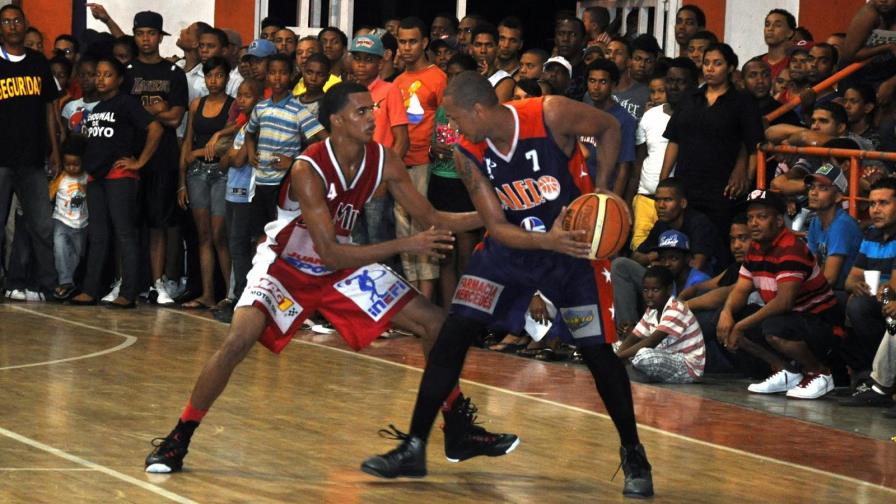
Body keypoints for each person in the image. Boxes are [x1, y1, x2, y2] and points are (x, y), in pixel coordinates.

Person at [144, 81, 516, 473]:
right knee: (238, 340)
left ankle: (457, 426)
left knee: (435, 325)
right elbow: (329, 252)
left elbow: (433, 218)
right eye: (361, 111)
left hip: (340, 266)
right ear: (336, 121)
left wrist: (499, 215)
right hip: (287, 265)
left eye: (372, 110)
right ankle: (179, 436)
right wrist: (406, 244)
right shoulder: (308, 168)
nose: (372, 118)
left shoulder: (384, 160)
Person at [361, 71, 654, 499]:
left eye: (456, 119)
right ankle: (415, 445)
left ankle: (633, 453)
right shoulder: (467, 153)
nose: (453, 130)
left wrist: (604, 190)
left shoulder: (550, 113)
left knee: (597, 353)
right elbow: (497, 227)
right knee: (452, 334)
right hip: (512, 250)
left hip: (573, 252)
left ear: (479, 110)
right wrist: (546, 239)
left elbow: (609, 127)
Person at [718, 191, 843, 400]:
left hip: (822, 323)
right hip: (792, 319)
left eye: (762, 217)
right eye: (750, 218)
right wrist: (727, 313)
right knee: (738, 319)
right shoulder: (755, 248)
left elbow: (784, 302)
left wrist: (739, 326)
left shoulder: (791, 248)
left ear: (778, 221)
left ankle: (820, 372)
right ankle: (788, 372)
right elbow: (740, 289)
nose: (754, 223)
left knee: (771, 328)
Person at [70, 57, 163, 308]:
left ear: (120, 79)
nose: (100, 79)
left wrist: (139, 161)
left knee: (125, 234)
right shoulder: (98, 107)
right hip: (96, 176)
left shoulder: (127, 103)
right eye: (98, 74)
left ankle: (128, 293)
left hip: (119, 177)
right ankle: (90, 290)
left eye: (107, 74)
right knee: (98, 235)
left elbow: (155, 129)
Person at [661, 43, 764, 245]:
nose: (710, 68)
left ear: (730, 67)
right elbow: (674, 140)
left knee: (717, 243)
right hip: (686, 184)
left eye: (717, 63)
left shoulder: (742, 102)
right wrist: (664, 180)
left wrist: (747, 179)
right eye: (707, 63)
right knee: (684, 243)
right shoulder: (690, 98)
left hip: (722, 189)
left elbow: (754, 145)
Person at [123, 11, 189, 305]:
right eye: (140, 34)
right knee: (126, 224)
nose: (146, 39)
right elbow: (124, 115)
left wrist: (143, 112)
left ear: (160, 36)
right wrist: (156, 109)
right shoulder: (126, 72)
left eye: (151, 33)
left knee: (158, 224)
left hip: (163, 157)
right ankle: (125, 282)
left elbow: (175, 119)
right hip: (130, 154)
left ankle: (157, 283)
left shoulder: (174, 73)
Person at [0, 4, 61, 301]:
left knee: (42, 225)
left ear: (25, 24)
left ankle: (48, 284)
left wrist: (55, 149)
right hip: (1, 159)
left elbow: (50, 109)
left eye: (17, 21)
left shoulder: (38, 63)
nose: (12, 26)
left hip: (33, 158)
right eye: (6, 21)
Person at [393, 17, 448, 301]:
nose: (406, 47)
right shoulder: (398, 80)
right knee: (404, 235)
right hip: (400, 166)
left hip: (426, 165)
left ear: (425, 42)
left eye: (412, 41)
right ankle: (413, 302)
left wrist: (437, 148)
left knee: (425, 231)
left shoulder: (438, 77)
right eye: (402, 42)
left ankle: (425, 304)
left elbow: (448, 120)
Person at [178, 57, 234, 310]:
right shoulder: (196, 104)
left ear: (227, 78)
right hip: (197, 173)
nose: (214, 81)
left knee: (220, 235)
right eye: (210, 76)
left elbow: (230, 142)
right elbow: (187, 141)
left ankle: (231, 295)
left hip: (221, 172)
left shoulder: (233, 105)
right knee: (203, 236)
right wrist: (181, 181)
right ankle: (208, 294)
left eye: (219, 76)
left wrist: (202, 149)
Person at [349, 34, 409, 256]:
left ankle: (383, 279)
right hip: (351, 179)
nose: (361, 65)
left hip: (378, 180)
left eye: (368, 60)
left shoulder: (390, 90)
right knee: (354, 241)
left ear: (380, 63)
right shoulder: (348, 92)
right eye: (357, 58)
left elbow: (402, 139)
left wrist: (385, 176)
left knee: (379, 242)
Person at [428, 54, 479, 308]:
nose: (454, 80)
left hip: (465, 185)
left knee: (467, 256)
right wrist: (433, 149)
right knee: (445, 256)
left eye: (460, 75)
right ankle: (449, 313)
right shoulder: (442, 108)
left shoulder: (477, 110)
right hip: (440, 182)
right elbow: (434, 141)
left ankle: (467, 313)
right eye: (451, 75)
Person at [631, 58, 696, 251]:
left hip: (678, 204)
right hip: (646, 197)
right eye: (670, 81)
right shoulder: (650, 115)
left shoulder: (697, 115)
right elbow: (639, 159)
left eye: (680, 81)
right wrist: (631, 197)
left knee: (674, 252)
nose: (673, 86)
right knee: (639, 250)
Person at [681, 214, 753, 373]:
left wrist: (684, 306)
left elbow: (726, 292)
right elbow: (702, 287)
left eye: (743, 238)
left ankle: (674, 353)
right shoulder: (737, 267)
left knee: (717, 312)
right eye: (732, 240)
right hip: (734, 339)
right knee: (697, 301)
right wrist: (680, 299)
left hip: (752, 332)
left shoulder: (757, 264)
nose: (736, 245)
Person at [216, 78, 262, 323]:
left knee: (241, 246)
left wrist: (230, 156)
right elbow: (224, 162)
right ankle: (237, 296)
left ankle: (243, 298)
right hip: (232, 192)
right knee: (235, 246)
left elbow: (237, 159)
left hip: (246, 195)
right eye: (240, 95)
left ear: (259, 98)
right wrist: (230, 156)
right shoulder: (242, 126)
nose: (242, 100)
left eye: (248, 95)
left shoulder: (257, 126)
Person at [842, 179, 896, 378]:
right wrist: (856, 286)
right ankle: (852, 371)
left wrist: (878, 291)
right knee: (832, 301)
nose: (876, 209)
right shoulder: (871, 234)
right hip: (877, 296)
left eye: (884, 203)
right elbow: (851, 279)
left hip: (888, 298)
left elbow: (892, 287)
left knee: (859, 306)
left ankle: (883, 372)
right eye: (872, 204)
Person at [617, 266, 705, 384]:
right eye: (645, 290)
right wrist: (617, 354)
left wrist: (617, 358)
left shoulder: (675, 309)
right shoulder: (651, 310)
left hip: (687, 368)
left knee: (645, 356)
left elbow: (651, 341)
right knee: (615, 345)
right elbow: (634, 337)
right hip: (666, 357)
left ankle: (630, 372)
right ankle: (632, 371)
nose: (649, 295)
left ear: (669, 289)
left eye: (655, 290)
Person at [804, 162, 863, 292]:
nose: (813, 192)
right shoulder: (815, 221)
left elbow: (830, 279)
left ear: (837, 197)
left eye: (823, 188)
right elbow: (811, 264)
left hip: (844, 293)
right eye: (812, 187)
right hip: (828, 290)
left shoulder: (842, 224)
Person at [581, 59, 636, 195]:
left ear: (614, 84)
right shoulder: (582, 113)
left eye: (603, 82)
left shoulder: (624, 119)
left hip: (605, 193)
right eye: (592, 81)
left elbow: (624, 168)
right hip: (580, 192)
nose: (596, 87)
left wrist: (612, 201)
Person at [50, 135, 89, 301]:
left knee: (78, 254)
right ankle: (64, 281)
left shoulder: (87, 178)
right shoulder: (60, 177)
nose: (71, 168)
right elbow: (49, 194)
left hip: (82, 224)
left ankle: (74, 282)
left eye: (76, 164)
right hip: (61, 221)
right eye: (68, 164)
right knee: (60, 251)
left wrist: (87, 190)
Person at [605, 37, 650, 121]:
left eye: (618, 53)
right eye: (608, 52)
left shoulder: (645, 94)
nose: (611, 56)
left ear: (629, 61)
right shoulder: (594, 92)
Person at [470, 22, 515, 103]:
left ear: (497, 49)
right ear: (471, 49)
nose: (483, 50)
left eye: (489, 45)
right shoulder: (464, 73)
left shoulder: (504, 80)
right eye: (478, 45)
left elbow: (495, 110)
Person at [61, 57, 100, 135]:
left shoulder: (107, 106)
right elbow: (64, 136)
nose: (85, 79)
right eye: (81, 75)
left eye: (91, 75)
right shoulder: (70, 106)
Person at [553, 13, 587, 100]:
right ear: (555, 39)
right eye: (561, 34)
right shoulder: (546, 72)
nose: (565, 39)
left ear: (583, 40)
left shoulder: (588, 75)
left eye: (572, 34)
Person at [761, 9, 796, 79]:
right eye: (767, 25)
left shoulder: (794, 64)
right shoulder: (756, 62)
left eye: (778, 25)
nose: (770, 29)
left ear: (790, 33)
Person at [297, 53, 330, 118]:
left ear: (328, 77)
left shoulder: (326, 105)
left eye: (320, 75)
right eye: (309, 73)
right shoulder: (295, 99)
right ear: (303, 73)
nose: (313, 78)